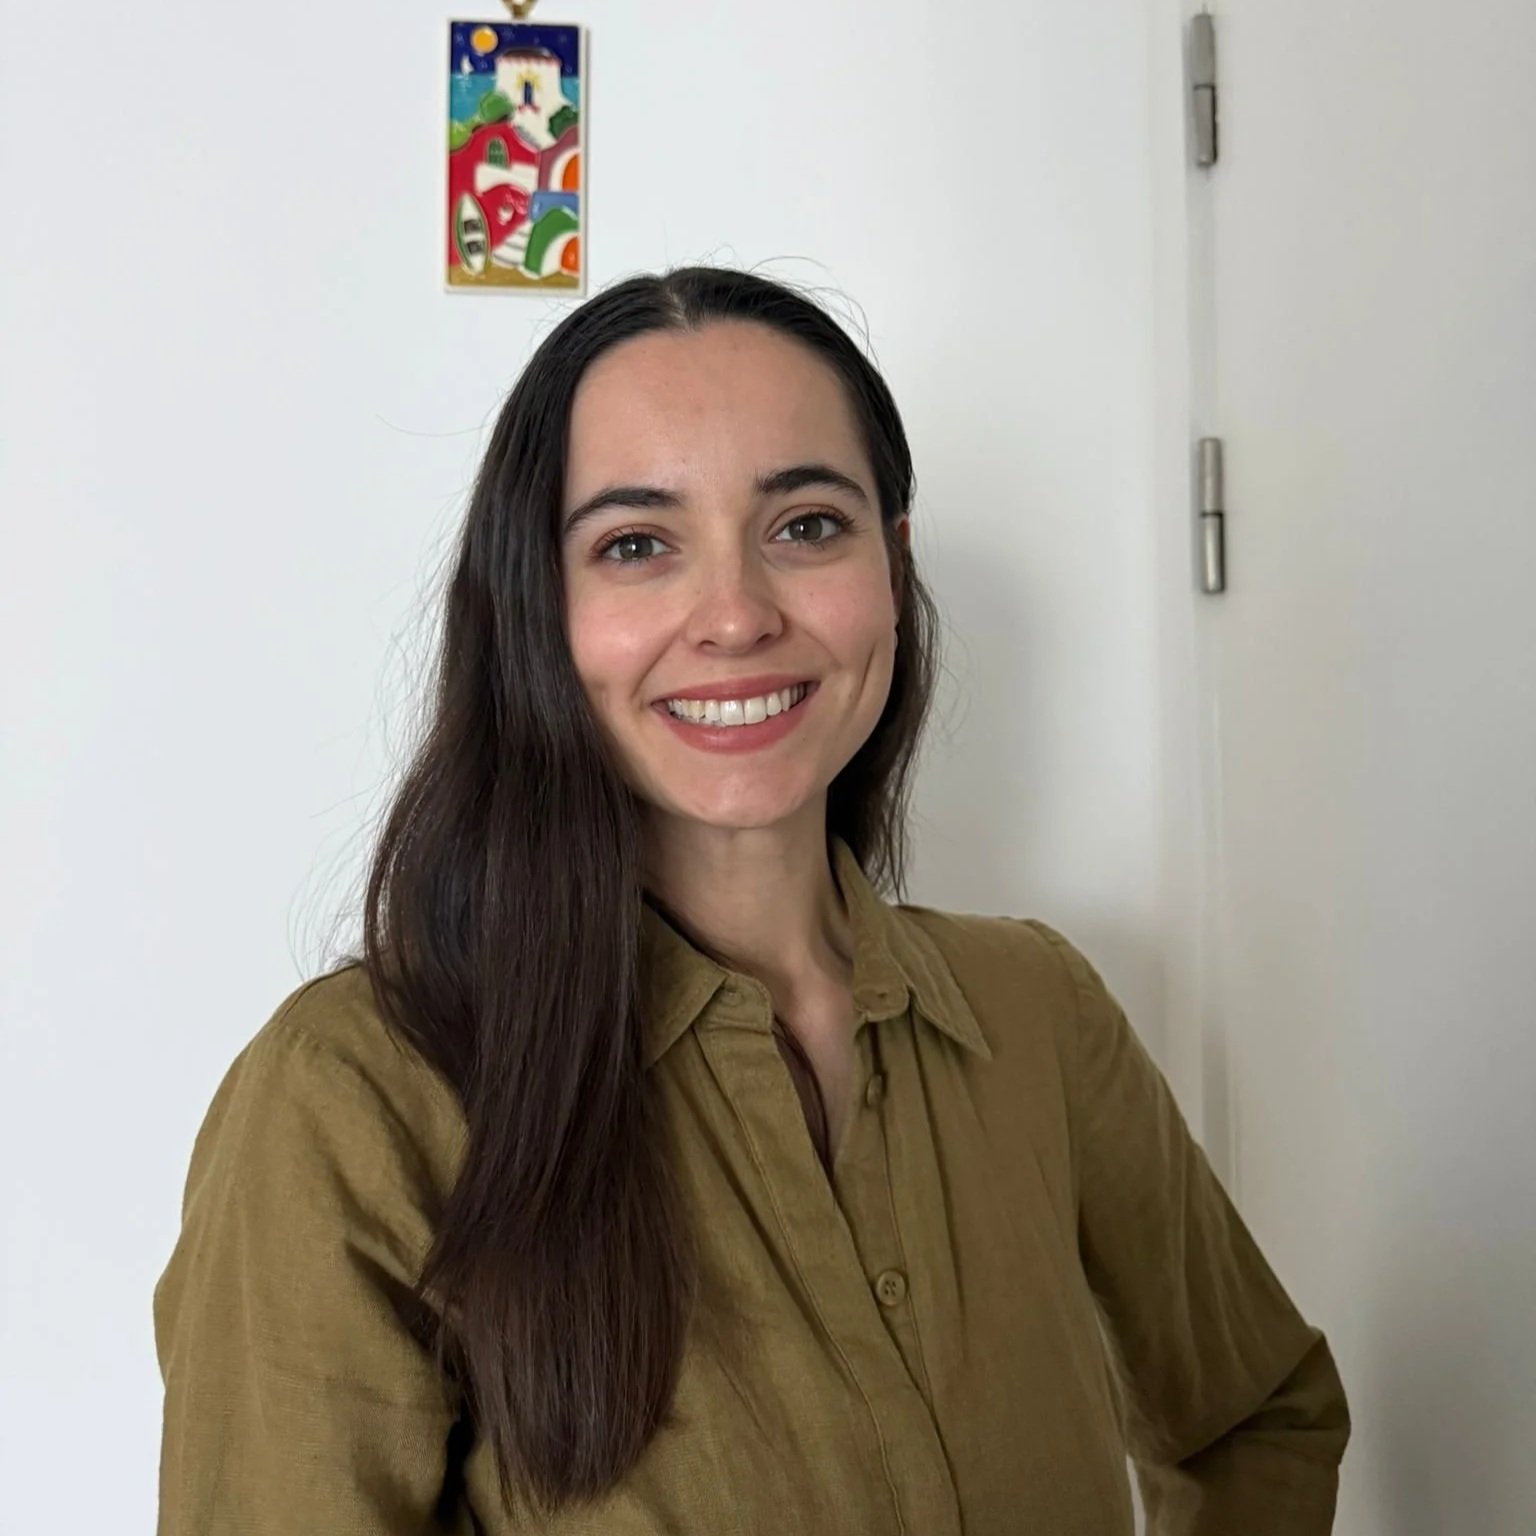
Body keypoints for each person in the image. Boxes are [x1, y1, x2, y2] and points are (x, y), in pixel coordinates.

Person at [153, 265, 1350, 1534]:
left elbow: (1256, 1416)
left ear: (891, 567)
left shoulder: (1040, 1011)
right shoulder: (349, 1101)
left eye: (806, 526)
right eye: (635, 544)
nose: (733, 616)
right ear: (537, 612)